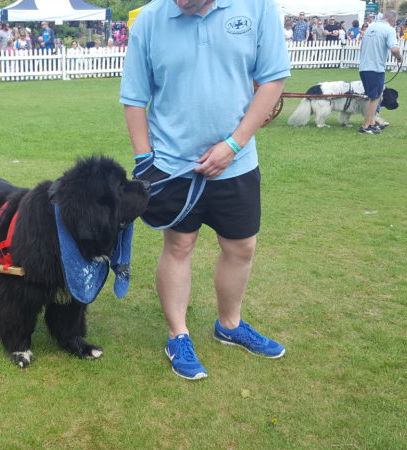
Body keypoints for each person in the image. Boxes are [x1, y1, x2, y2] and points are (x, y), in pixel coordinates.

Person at [121, 0, 290, 380]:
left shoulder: (257, 8)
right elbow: (134, 97)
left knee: (241, 247)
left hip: (237, 162)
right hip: (173, 164)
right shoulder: (150, 19)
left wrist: (233, 145)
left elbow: (273, 80)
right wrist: (144, 159)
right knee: (179, 246)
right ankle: (177, 335)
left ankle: (229, 325)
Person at [358, 10, 403, 135]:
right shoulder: (389, 30)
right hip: (376, 68)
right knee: (374, 98)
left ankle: (371, 123)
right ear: (393, 20)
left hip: (364, 67)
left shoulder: (370, 28)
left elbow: (362, 47)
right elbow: (394, 49)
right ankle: (365, 126)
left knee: (373, 97)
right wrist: (399, 58)